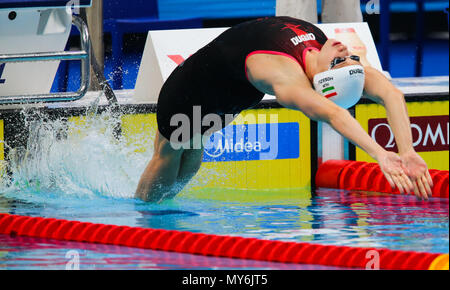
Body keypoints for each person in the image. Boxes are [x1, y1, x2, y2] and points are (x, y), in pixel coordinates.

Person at [135, 16, 433, 203]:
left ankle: (153, 216)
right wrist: (405, 150)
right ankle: (146, 215)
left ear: (325, 79)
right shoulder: (326, 56)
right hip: (194, 83)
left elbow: (333, 113)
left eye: (342, 60)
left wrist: (380, 154)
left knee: (191, 150)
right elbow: (391, 94)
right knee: (173, 150)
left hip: (221, 92)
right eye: (351, 59)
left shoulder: (290, 79)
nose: (344, 51)